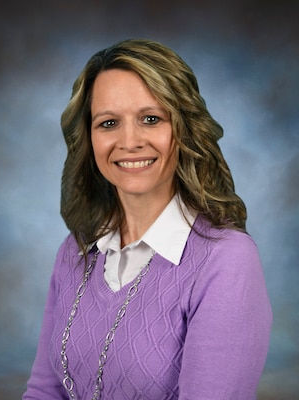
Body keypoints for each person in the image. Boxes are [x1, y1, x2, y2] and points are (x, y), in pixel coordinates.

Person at [23, 39, 272, 400]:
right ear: (88, 139)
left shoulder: (226, 260)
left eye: (151, 119)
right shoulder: (74, 251)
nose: (129, 141)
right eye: (108, 123)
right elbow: (45, 390)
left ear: (183, 129)